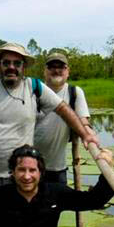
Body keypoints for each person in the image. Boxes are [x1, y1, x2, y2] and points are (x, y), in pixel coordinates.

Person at [0, 42, 99, 194]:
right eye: (6, 63)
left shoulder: (34, 87)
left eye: (17, 63)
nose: (11, 67)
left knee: (18, 218)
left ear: (23, 67)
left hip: (17, 176)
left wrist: (85, 135)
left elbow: (63, 108)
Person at [34, 51, 92, 184]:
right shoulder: (34, 92)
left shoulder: (75, 93)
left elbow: (83, 120)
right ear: (45, 71)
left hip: (57, 168)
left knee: (58, 204)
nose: (56, 70)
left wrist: (89, 133)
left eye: (61, 67)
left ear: (68, 71)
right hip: (28, 167)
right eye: (52, 67)